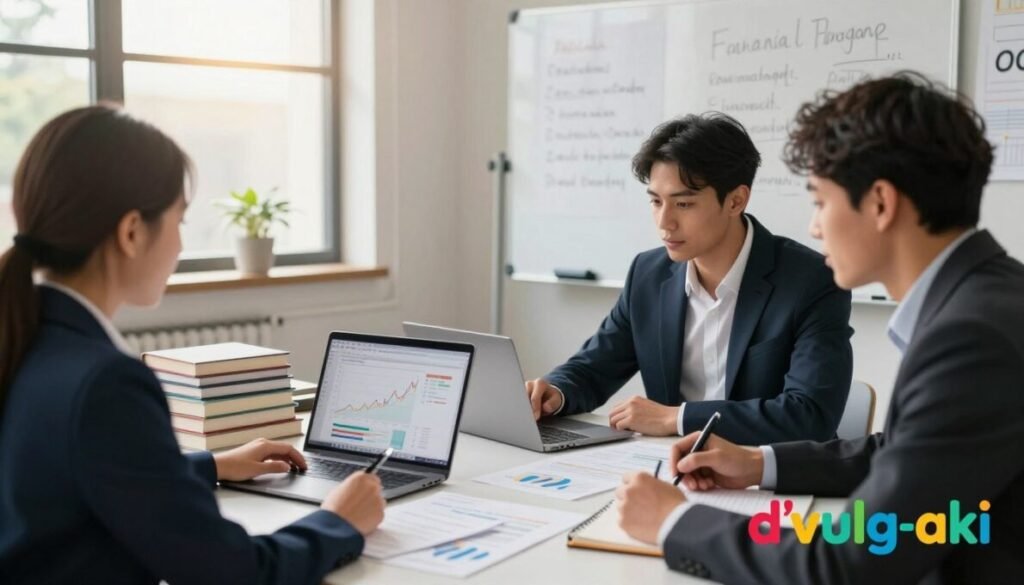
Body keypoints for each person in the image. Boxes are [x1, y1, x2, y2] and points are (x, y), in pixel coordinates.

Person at [616, 72, 1024, 583]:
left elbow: (848, 562)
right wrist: (756, 462)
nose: (813, 226)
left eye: (819, 201)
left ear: (880, 202)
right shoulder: (988, 299)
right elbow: (903, 451)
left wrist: (674, 521)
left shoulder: (971, 338)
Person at [0, 105, 385, 585]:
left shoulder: (25, 337)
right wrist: (338, 522)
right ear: (132, 232)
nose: (181, 245)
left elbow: (62, 476)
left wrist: (210, 466)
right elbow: (231, 573)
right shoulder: (105, 382)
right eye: (180, 221)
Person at [525, 112, 853, 444]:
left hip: (766, 478)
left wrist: (676, 417)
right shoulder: (648, 275)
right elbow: (595, 367)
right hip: (672, 468)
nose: (665, 223)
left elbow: (809, 415)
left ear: (736, 200)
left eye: (683, 204)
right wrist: (555, 390)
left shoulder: (810, 281)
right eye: (656, 202)